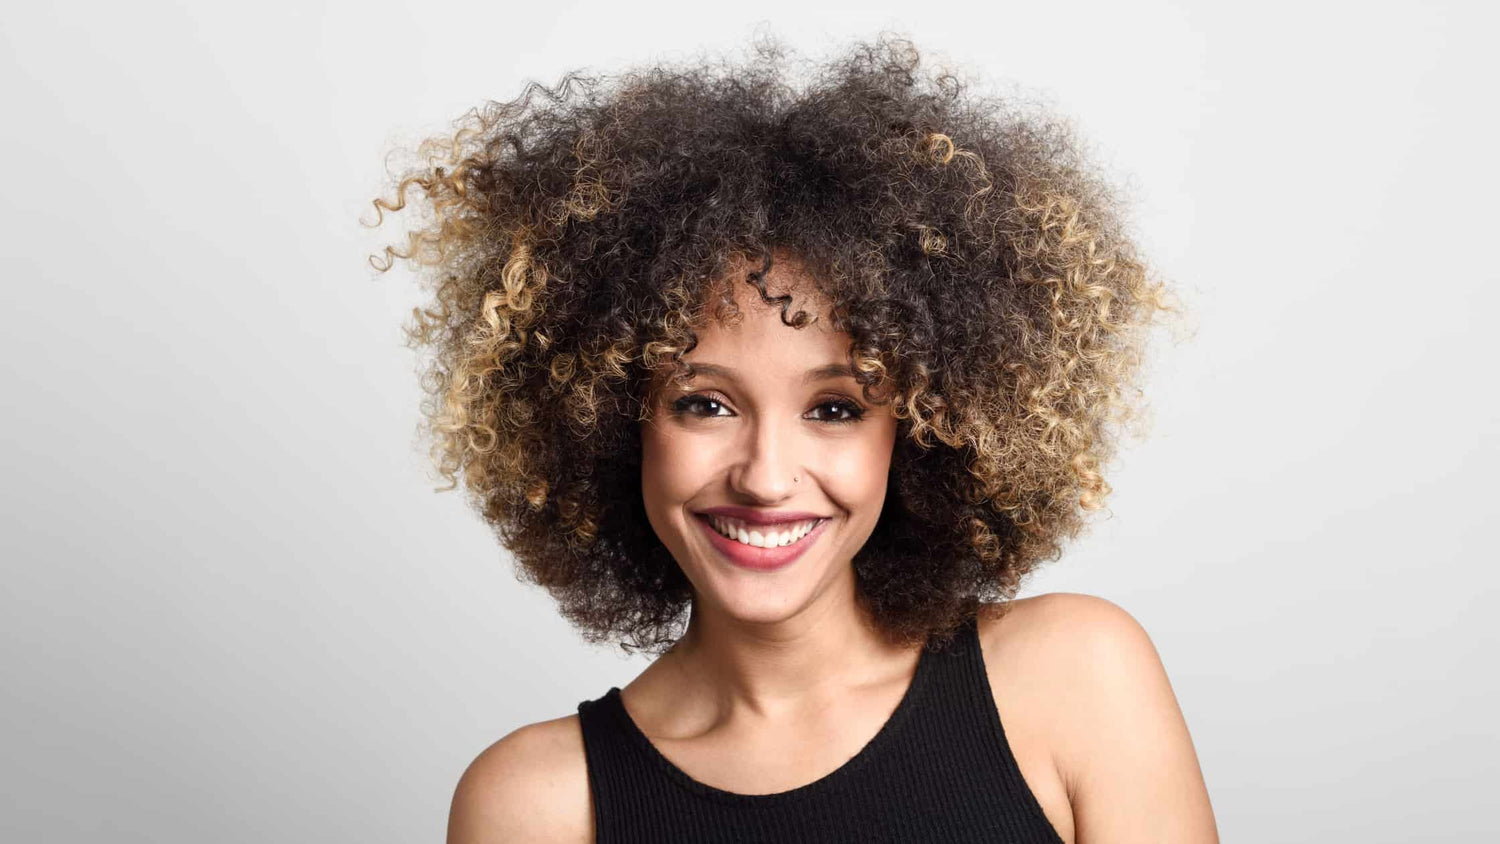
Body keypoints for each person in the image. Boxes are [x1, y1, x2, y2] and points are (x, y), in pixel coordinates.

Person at [367, 32, 1217, 843]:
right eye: (704, 404)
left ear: (921, 432)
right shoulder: (540, 804)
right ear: (608, 423)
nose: (767, 478)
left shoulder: (1073, 678)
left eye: (837, 409)